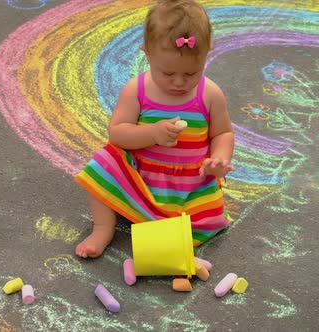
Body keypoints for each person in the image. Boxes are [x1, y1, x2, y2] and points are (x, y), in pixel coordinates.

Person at [74, 0, 235, 258]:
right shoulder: (136, 90)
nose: (180, 82)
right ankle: (103, 228)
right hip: (143, 179)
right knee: (103, 163)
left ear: (207, 54)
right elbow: (117, 133)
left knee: (199, 224)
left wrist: (219, 160)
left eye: (191, 73)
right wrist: (152, 134)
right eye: (168, 73)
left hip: (190, 185)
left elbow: (222, 134)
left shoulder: (210, 94)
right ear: (146, 53)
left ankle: (168, 232)